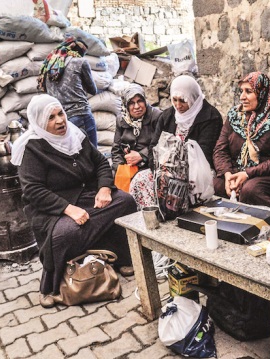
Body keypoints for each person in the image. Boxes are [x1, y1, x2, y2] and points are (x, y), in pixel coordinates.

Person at [11, 94, 137, 308]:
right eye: (50, 118)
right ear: (40, 122)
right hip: (52, 208)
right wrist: (68, 209)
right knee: (66, 233)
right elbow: (33, 190)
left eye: (60, 113)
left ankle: (120, 257)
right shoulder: (31, 148)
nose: (60, 121)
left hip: (86, 196)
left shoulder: (75, 135)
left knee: (125, 202)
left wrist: (105, 188)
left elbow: (100, 164)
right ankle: (51, 284)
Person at [129, 75, 223, 208]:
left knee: (179, 187)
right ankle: (153, 216)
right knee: (140, 180)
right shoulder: (167, 116)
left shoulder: (210, 117)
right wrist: (159, 170)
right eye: (175, 100)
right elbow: (154, 146)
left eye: (183, 100)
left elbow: (205, 153)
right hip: (165, 169)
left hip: (197, 170)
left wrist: (176, 171)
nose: (178, 105)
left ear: (193, 98)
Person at [212, 72, 270, 208]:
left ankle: (268, 222)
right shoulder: (235, 116)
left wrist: (247, 173)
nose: (242, 97)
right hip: (237, 171)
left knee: (250, 189)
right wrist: (228, 175)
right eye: (241, 91)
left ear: (262, 93)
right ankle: (225, 225)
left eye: (248, 92)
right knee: (215, 186)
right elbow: (220, 149)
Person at [37, 37, 99, 148]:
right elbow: (93, 90)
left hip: (60, 119)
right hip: (80, 115)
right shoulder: (80, 62)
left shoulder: (49, 66)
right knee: (92, 154)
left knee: (70, 154)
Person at [111, 84, 162, 174]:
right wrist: (121, 169)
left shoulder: (157, 116)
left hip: (150, 165)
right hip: (128, 167)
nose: (137, 106)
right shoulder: (122, 119)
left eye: (140, 101)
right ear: (126, 105)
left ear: (145, 101)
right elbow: (116, 149)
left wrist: (142, 155)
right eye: (131, 103)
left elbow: (162, 145)